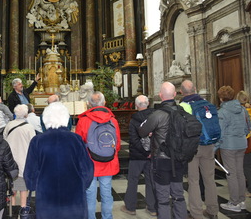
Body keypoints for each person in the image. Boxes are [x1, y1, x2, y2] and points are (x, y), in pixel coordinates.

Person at [24, 102, 94, 218]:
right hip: (74, 201)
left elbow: (30, 175)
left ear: (45, 119)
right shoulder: (76, 139)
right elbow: (88, 170)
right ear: (66, 118)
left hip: (47, 201)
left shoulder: (37, 141)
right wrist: (81, 185)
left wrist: (36, 186)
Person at [138, 82, 187, 219]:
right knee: (178, 195)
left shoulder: (157, 114)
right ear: (175, 94)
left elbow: (142, 131)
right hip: (178, 158)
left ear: (160, 95)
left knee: (163, 198)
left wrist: (152, 132)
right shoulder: (183, 112)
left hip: (162, 159)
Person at [75, 91, 121, 219]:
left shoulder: (84, 121)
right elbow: (117, 144)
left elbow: (78, 144)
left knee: (90, 194)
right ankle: (107, 217)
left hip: (89, 162)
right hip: (108, 162)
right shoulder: (113, 120)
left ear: (88, 104)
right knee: (106, 193)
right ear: (104, 103)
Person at [179, 80, 219, 219]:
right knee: (209, 179)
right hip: (209, 144)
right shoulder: (206, 103)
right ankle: (212, 211)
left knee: (194, 180)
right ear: (195, 89)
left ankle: (196, 213)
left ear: (181, 92)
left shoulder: (183, 105)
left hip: (192, 147)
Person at [121, 95, 156, 216]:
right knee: (151, 180)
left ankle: (130, 207)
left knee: (133, 180)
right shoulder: (155, 117)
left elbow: (134, 140)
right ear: (148, 103)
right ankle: (152, 208)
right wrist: (150, 152)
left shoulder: (134, 119)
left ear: (136, 106)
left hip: (137, 156)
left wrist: (144, 152)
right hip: (152, 154)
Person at [217, 86, 250, 212]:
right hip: (242, 143)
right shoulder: (242, 109)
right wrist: (241, 135)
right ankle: (241, 201)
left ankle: (234, 202)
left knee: (231, 174)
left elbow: (220, 132)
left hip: (228, 146)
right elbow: (248, 127)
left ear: (221, 98)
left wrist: (215, 147)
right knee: (240, 172)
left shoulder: (222, 112)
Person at [3, 104, 36, 213]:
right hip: (24, 160)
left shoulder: (9, 125)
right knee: (23, 188)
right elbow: (33, 144)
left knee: (11, 187)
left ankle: (11, 208)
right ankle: (23, 208)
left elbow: (4, 139)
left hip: (10, 159)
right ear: (26, 114)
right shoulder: (29, 127)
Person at [236, 90, 251, 198]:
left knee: (246, 166)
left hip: (246, 140)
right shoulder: (249, 109)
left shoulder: (240, 111)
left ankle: (249, 189)